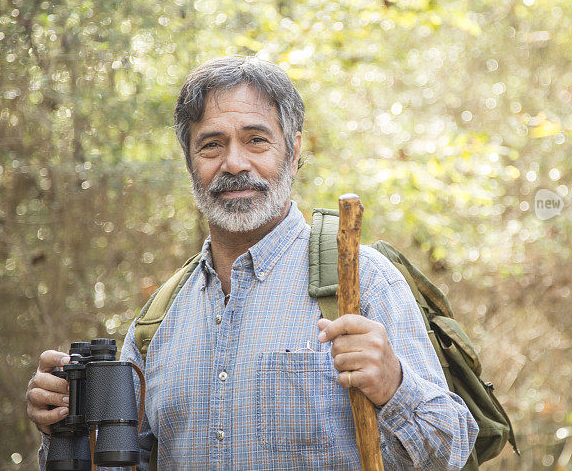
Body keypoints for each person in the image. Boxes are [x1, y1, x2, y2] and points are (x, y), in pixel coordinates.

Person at [26, 56, 478, 469]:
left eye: (256, 140)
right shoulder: (156, 324)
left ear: (294, 151)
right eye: (211, 145)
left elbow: (453, 451)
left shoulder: (361, 282)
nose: (234, 163)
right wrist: (63, 427)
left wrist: (393, 386)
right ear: (190, 160)